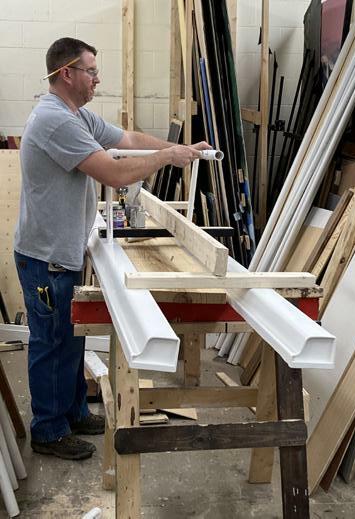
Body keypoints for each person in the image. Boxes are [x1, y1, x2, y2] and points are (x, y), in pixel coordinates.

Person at [14, 37, 210, 460]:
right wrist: (167, 158)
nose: (97, 79)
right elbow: (114, 173)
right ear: (66, 73)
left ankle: (73, 412)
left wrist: (178, 149)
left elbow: (129, 137)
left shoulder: (78, 115)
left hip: (62, 251)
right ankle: (48, 430)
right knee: (51, 342)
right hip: (45, 257)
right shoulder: (55, 121)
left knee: (71, 338)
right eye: (91, 71)